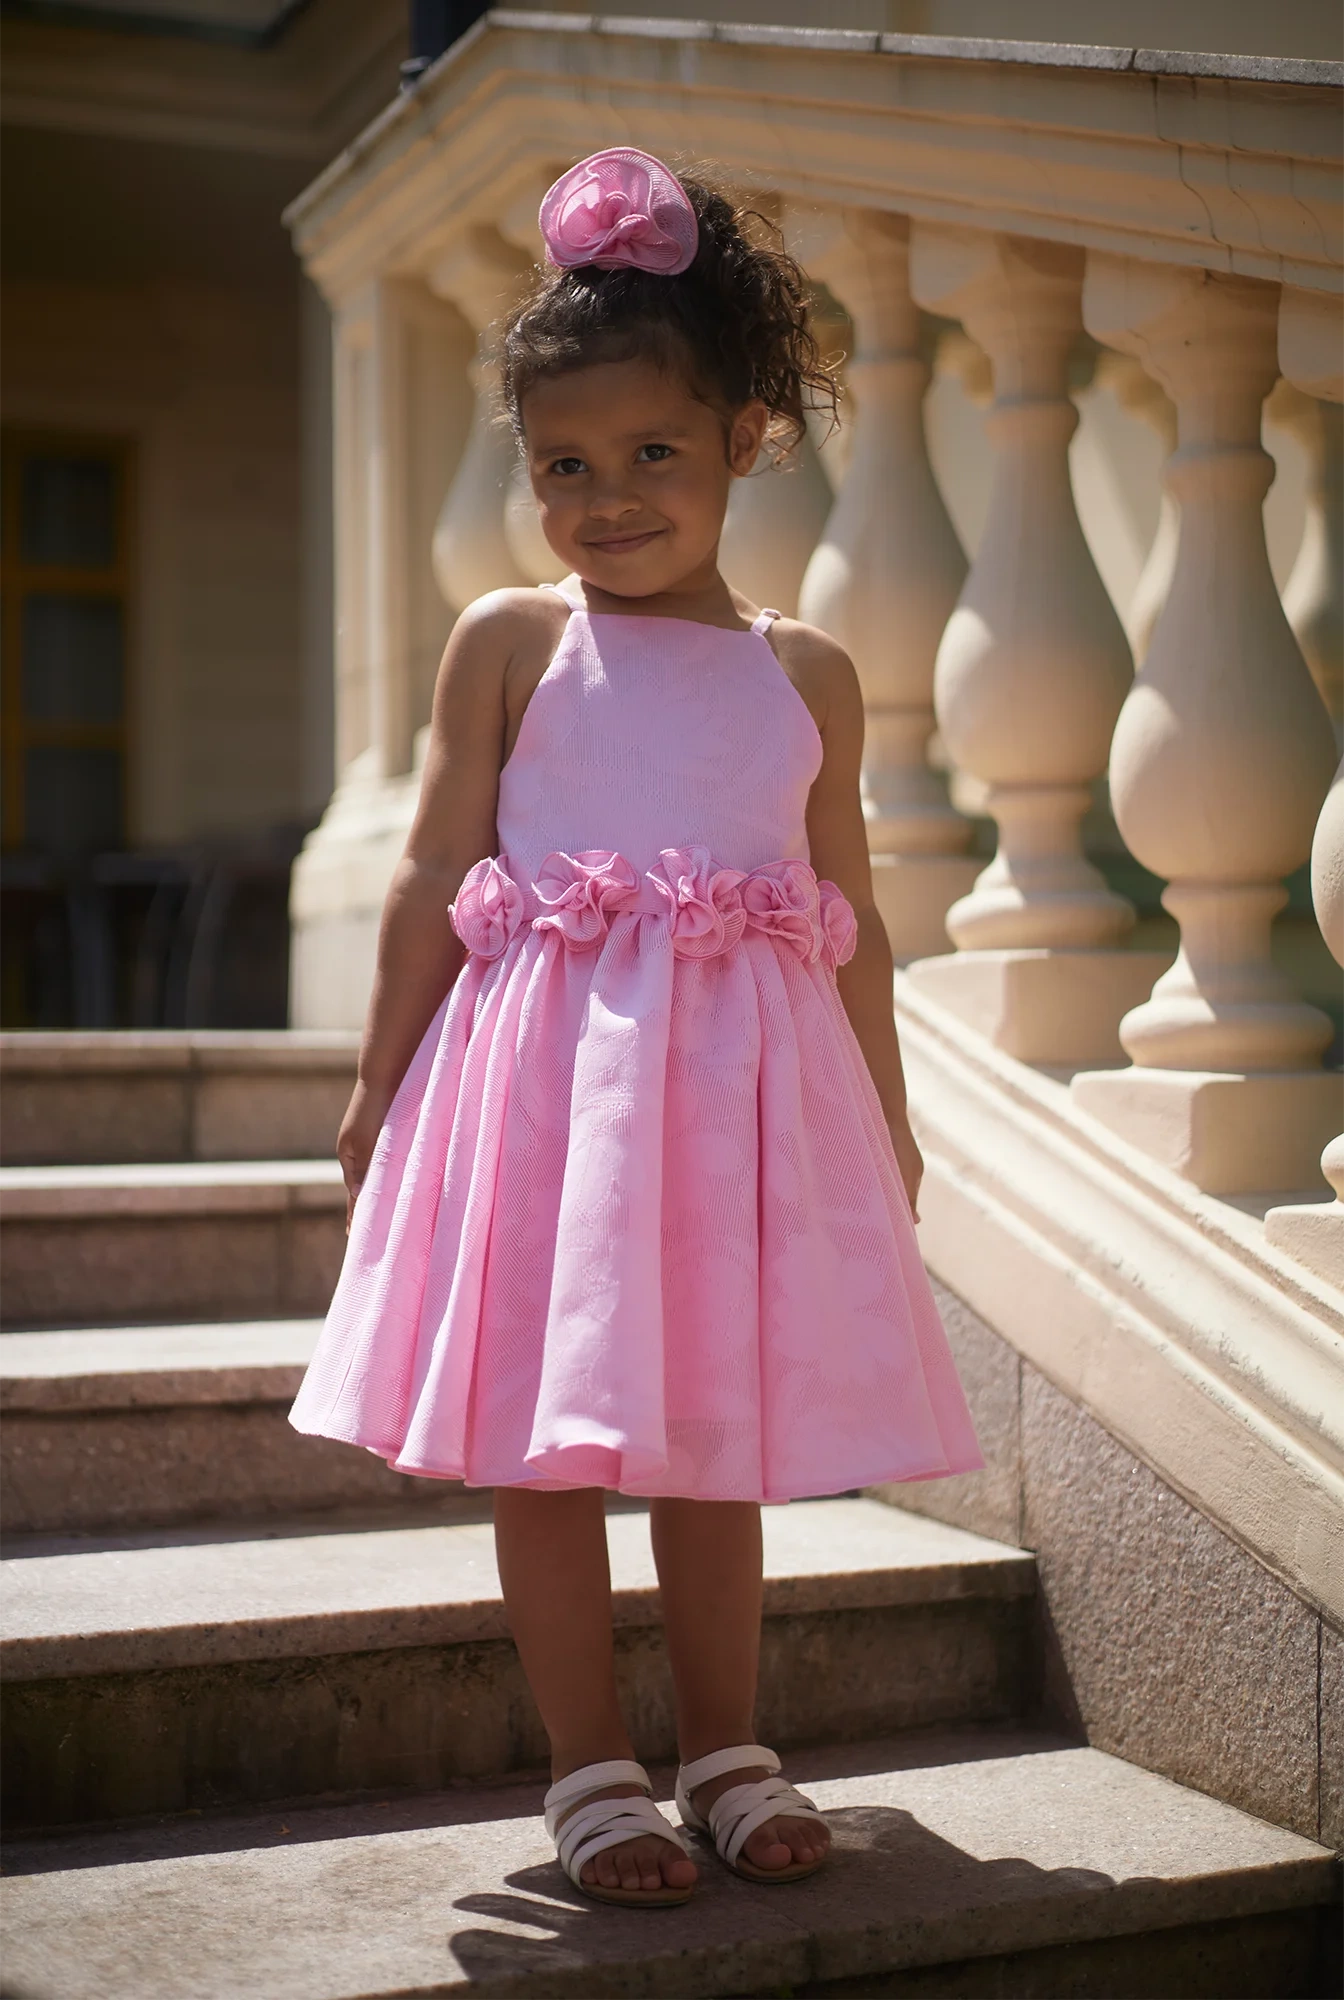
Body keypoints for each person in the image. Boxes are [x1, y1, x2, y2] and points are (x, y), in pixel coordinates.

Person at [291, 147, 981, 1910]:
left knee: (709, 1433)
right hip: (539, 1103)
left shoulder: (803, 672)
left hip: (734, 1118)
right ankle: (591, 1766)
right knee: (547, 1432)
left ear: (746, 437)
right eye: (565, 468)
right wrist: (379, 1085)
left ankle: (730, 1750)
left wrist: (885, 1126)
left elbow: (850, 926)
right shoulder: (512, 641)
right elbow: (433, 870)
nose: (607, 499)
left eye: (651, 454)